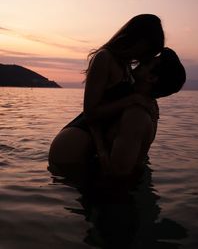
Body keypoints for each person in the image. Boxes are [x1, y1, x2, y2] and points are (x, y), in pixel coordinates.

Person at [48, 14, 165, 179]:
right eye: (149, 49)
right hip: (70, 148)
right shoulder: (104, 58)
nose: (146, 56)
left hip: (89, 150)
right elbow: (90, 113)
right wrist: (102, 151)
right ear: (138, 38)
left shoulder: (124, 65)